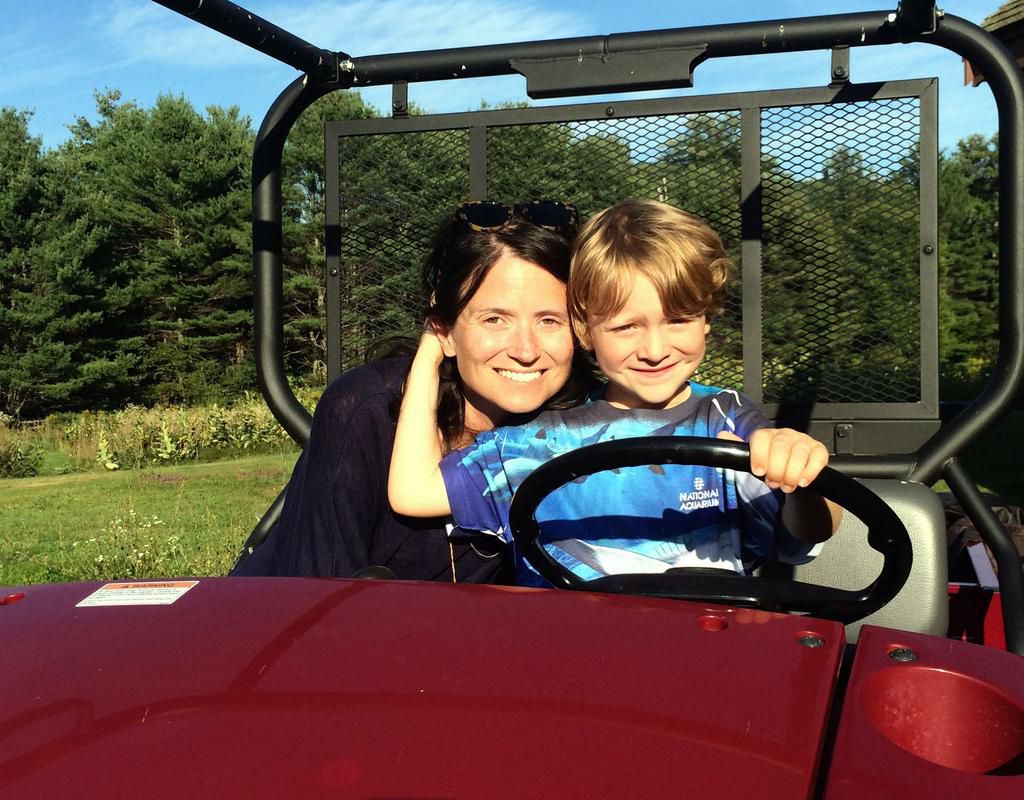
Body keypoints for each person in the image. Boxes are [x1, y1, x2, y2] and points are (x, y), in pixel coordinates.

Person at [389, 199, 841, 587]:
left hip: (706, 652)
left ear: (706, 320)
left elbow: (813, 530)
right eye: (627, 327)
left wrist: (800, 473)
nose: (655, 349)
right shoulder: (540, 441)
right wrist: (432, 351)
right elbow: (412, 492)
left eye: (678, 320)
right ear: (584, 330)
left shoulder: (727, 419)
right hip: (570, 664)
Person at [237, 200, 592, 583]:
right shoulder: (367, 410)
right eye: (495, 320)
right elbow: (316, 586)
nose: (525, 350)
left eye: (550, 320)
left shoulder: (581, 431)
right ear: (445, 330)